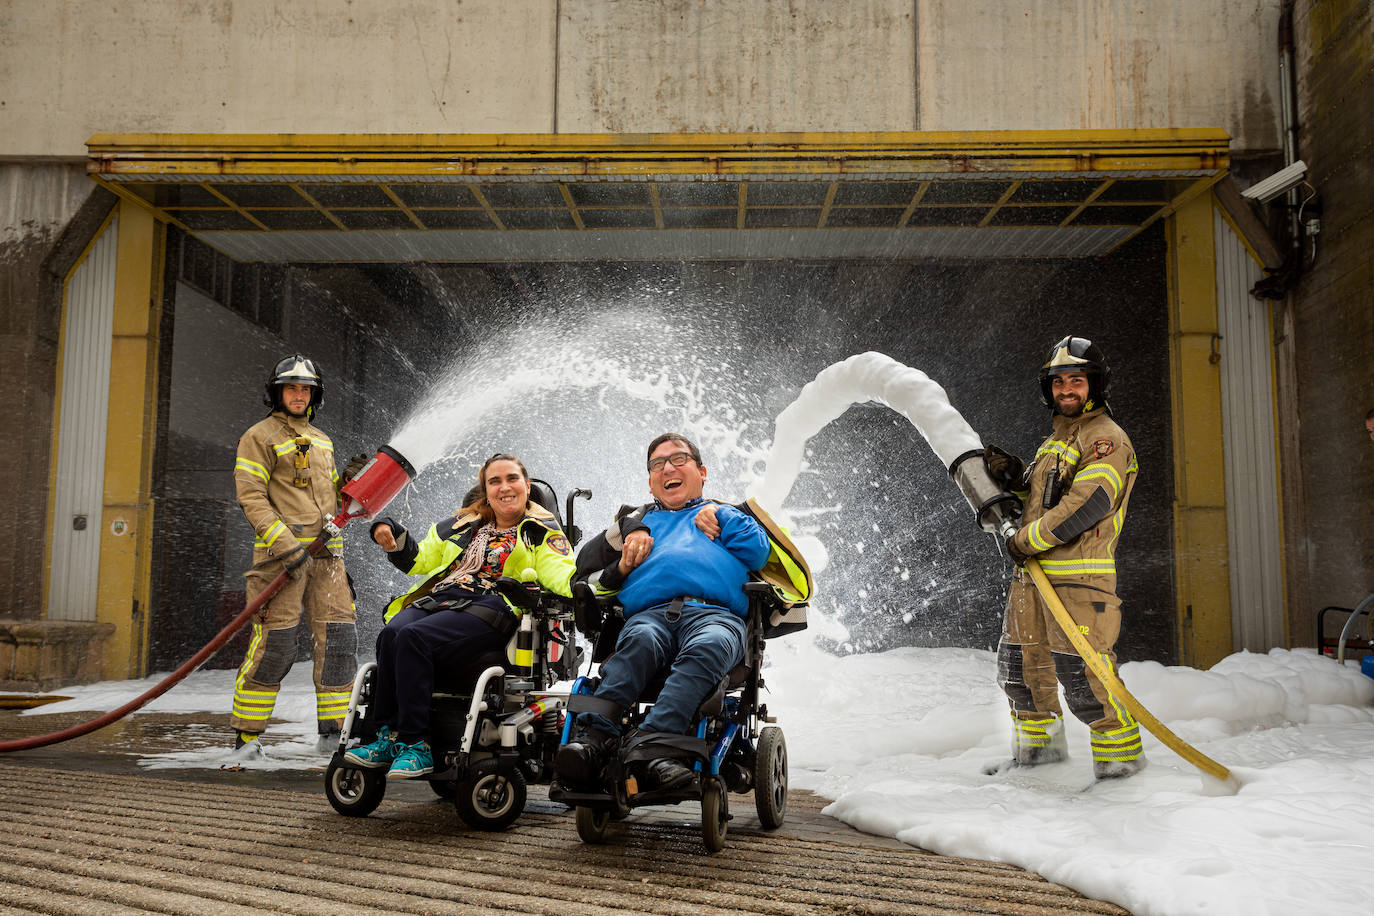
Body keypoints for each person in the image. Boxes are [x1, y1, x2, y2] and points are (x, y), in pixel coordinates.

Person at [557, 433, 771, 793]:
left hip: (714, 615)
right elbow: (583, 566)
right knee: (639, 641)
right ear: (650, 481)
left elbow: (758, 552)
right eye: (657, 464)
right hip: (649, 615)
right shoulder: (635, 521)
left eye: (679, 459)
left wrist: (721, 515)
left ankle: (653, 746)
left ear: (702, 472)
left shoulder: (726, 514)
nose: (668, 468)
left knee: (711, 643)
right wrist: (626, 547)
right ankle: (593, 742)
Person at [344, 453, 575, 778]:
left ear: (526, 485)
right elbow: (419, 559)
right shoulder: (461, 525)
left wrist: (588, 587)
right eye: (495, 481)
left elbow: (561, 572)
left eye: (512, 479)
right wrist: (391, 533)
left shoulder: (541, 531)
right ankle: (383, 737)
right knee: (391, 634)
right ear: (486, 490)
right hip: (444, 598)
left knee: (413, 637)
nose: (505, 487)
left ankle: (416, 744)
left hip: (492, 604)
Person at [982, 336, 1146, 780]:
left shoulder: (1106, 439)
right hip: (1032, 582)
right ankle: (1037, 765)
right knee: (1020, 675)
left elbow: (1087, 504)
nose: (1066, 390)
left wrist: (1024, 541)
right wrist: (1016, 479)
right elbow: (1045, 500)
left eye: (1077, 380)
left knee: (1086, 682)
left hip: (1078, 584)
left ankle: (1122, 774)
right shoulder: (1056, 440)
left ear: (1095, 385)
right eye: (1058, 382)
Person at [230, 355, 367, 755]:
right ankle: (247, 737)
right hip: (282, 561)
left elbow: (326, 498)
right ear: (277, 392)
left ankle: (335, 732)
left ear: (314, 396)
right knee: (276, 645)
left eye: (305, 389)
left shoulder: (323, 440)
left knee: (339, 642)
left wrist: (350, 481)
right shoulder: (259, 437)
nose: (298, 395)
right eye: (291, 388)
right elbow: (251, 498)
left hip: (328, 560)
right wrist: (286, 545)